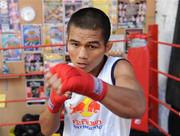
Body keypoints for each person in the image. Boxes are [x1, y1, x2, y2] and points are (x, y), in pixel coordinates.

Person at [39, 7, 146, 136]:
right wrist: (54, 103)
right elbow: (46, 130)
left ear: (107, 47)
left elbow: (138, 108)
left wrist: (91, 85)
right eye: (75, 44)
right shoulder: (65, 73)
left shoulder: (117, 67)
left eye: (92, 46)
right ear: (67, 43)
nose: (82, 55)